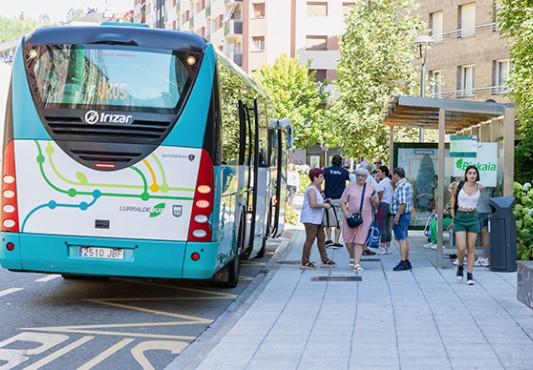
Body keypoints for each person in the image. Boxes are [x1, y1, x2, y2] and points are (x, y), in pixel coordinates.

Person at [340, 167, 379, 272]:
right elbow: (342, 201)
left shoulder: (371, 188)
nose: (360, 178)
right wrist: (346, 213)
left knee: (360, 241)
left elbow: (376, 204)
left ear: (366, 177)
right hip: (350, 217)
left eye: (363, 176)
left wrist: (375, 201)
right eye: (358, 175)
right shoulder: (350, 187)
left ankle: (357, 263)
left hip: (366, 218)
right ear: (355, 176)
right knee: (348, 240)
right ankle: (352, 257)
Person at [450, 165, 484, 285]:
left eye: (474, 173)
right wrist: (452, 211)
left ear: (477, 175)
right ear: (466, 174)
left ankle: (470, 274)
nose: (472, 175)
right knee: (461, 247)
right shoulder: (459, 185)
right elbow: (453, 197)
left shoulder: (480, 187)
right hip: (460, 217)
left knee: (471, 247)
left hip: (473, 217)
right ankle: (460, 265)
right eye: (469, 173)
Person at [299, 168, 337, 269]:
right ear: (315, 178)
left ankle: (325, 259)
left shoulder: (316, 188)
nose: (323, 178)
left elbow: (319, 200)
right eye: (321, 176)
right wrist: (324, 205)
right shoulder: (311, 189)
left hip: (317, 219)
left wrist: (325, 200)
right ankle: (305, 261)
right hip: (310, 219)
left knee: (321, 238)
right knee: (310, 239)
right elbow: (313, 204)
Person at [323, 155, 351, 248]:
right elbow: (351, 179)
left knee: (328, 218)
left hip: (328, 198)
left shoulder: (326, 171)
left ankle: (328, 239)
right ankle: (336, 241)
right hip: (340, 198)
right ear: (341, 162)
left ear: (331, 161)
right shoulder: (344, 172)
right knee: (339, 220)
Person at [358, 161, 384, 255]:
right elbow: (379, 191)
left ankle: (361, 247)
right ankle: (363, 247)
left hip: (358, 206)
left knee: (360, 227)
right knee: (366, 227)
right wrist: (377, 204)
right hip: (368, 206)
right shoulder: (370, 178)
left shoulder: (358, 178)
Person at [391, 167, 414, 271]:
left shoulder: (401, 186)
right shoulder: (407, 185)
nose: (392, 178)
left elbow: (403, 203)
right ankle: (407, 260)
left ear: (396, 175)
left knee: (401, 239)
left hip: (401, 216)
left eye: (392, 175)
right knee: (404, 238)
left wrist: (397, 215)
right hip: (405, 215)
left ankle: (403, 261)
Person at [423, 182, 456, 249]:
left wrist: (442, 212)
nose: (450, 190)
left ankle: (440, 243)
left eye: (452, 188)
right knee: (433, 222)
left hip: (453, 219)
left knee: (438, 223)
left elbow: (451, 212)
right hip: (447, 217)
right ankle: (434, 241)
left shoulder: (457, 198)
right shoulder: (451, 198)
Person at [376, 165, 393, 255]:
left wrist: (377, 202)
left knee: (382, 226)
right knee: (388, 226)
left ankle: (382, 246)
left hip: (383, 205)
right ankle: (388, 246)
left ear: (383, 172)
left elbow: (380, 194)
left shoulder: (382, 183)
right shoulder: (390, 182)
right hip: (390, 205)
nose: (377, 174)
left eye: (379, 172)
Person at [474, 186, 493, 267]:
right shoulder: (491, 187)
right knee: (484, 233)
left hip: (481, 210)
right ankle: (484, 256)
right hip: (487, 209)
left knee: (483, 233)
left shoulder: (479, 185)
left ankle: (484, 257)